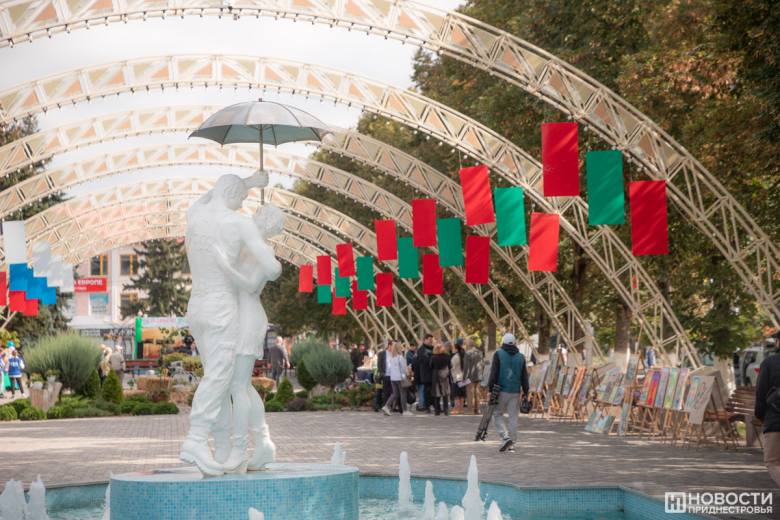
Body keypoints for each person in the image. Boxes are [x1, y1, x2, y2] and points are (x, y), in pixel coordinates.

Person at [180, 170, 274, 477]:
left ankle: (221, 449)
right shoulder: (239, 223)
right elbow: (273, 267)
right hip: (221, 306)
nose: (244, 204)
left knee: (218, 379)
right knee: (219, 378)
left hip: (196, 305)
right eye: (242, 198)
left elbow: (214, 194)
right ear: (233, 195)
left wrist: (248, 183)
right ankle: (196, 440)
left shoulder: (194, 215)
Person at [211, 202, 285, 473]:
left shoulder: (265, 252)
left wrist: (224, 266)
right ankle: (263, 443)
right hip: (239, 315)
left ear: (268, 221)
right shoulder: (248, 245)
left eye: (260, 213)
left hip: (249, 316)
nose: (254, 215)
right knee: (242, 385)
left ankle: (241, 449)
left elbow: (252, 286)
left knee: (238, 386)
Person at [488, 333, 529, 453]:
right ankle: (512, 444)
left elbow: (494, 373)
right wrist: (526, 391)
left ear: (503, 343)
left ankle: (505, 436)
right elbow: (524, 376)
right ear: (515, 343)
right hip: (515, 391)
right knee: (513, 417)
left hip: (501, 390)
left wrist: (490, 390)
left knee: (497, 414)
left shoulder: (498, 354)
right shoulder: (521, 357)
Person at [755, 331, 780, 486]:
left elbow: (760, 393)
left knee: (772, 462)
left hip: (774, 420)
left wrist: (761, 416)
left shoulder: (769, 363)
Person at [382, 341, 414, 417]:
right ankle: (405, 410)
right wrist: (408, 373)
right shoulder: (400, 357)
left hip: (393, 378)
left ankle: (386, 406)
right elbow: (404, 368)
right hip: (400, 378)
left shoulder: (391, 357)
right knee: (403, 394)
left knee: (395, 394)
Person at [463, 339, 484, 415]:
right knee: (477, 393)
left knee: (470, 393)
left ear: (468, 345)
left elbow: (466, 366)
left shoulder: (468, 353)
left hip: (470, 376)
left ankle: (470, 410)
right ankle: (477, 409)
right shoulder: (480, 353)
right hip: (478, 376)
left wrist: (464, 377)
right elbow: (482, 364)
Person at [430, 344, 452, 416]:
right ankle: (446, 410)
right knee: (445, 393)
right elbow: (450, 365)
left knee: (437, 393)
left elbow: (431, 366)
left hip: (436, 375)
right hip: (445, 374)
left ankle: (437, 411)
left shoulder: (433, 357)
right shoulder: (447, 356)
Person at [418, 334, 435, 413]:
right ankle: (427, 406)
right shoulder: (422, 349)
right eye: (430, 339)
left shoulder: (433, 348)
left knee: (434, 390)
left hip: (433, 372)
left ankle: (435, 405)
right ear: (425, 339)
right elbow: (426, 359)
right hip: (426, 372)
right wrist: (433, 358)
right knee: (427, 390)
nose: (431, 341)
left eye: (432, 339)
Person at [450, 342, 466, 414]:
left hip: (456, 378)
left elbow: (452, 367)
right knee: (461, 395)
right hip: (462, 378)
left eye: (453, 348)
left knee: (456, 395)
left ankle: (455, 409)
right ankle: (460, 409)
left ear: (456, 350)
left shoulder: (455, 357)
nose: (452, 349)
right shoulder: (462, 356)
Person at [374, 342, 389, 412]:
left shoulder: (377, 370)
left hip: (379, 383)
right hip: (382, 382)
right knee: (383, 394)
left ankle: (377, 406)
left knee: (379, 395)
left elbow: (375, 377)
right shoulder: (379, 369)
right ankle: (381, 406)